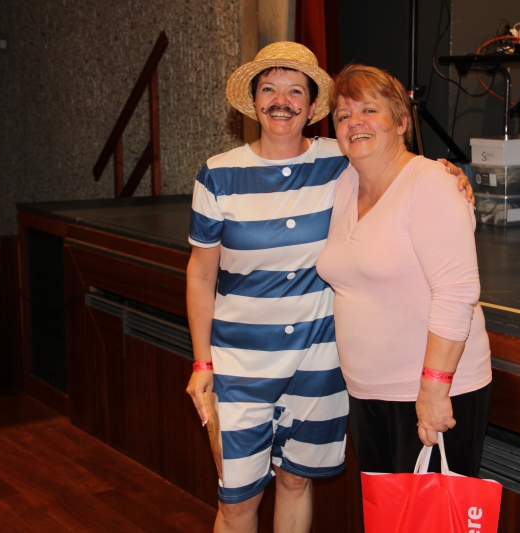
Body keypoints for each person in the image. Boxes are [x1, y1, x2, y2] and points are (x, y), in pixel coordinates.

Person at [184, 43, 473, 533]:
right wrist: (201, 363)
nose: (282, 100)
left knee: (297, 482)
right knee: (236, 503)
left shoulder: (339, 159)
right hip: (240, 364)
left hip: (318, 363)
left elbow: (397, 166)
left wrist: (447, 172)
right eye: (269, 88)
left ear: (313, 105)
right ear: (254, 100)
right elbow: (200, 274)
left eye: (295, 90)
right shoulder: (218, 174)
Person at [317, 64, 492, 478]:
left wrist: (433, 388)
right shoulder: (344, 183)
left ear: (400, 122)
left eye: (369, 110)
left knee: (431, 514)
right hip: (366, 393)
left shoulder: (431, 183)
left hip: (430, 393)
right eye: (343, 115)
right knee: (384, 512)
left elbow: (456, 292)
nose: (355, 122)